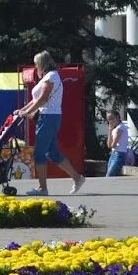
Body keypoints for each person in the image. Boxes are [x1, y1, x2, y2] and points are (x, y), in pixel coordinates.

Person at [14, 50, 85, 197]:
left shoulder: (51, 77)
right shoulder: (49, 76)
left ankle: (42, 188)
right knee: (52, 153)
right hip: (50, 117)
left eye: (36, 63)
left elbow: (42, 99)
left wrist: (27, 112)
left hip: (48, 117)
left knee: (39, 153)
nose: (35, 66)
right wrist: (22, 110)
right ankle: (77, 178)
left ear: (42, 63)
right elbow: (35, 100)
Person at [105, 108, 133, 177]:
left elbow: (113, 145)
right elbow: (109, 146)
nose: (110, 121)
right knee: (109, 175)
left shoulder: (121, 128)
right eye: (108, 119)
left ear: (117, 117)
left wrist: (111, 133)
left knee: (109, 175)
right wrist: (110, 131)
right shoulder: (115, 129)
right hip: (113, 154)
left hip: (119, 154)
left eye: (112, 118)